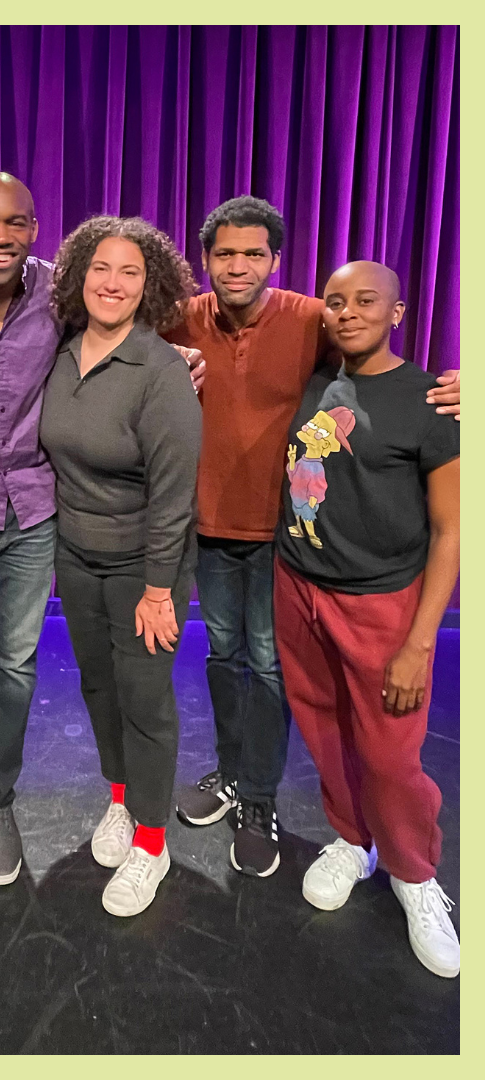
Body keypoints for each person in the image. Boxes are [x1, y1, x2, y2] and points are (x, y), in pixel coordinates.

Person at [0, 173, 207, 886]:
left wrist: (183, 358)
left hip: (36, 512)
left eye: (16, 222)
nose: (2, 236)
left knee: (16, 669)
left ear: (35, 229)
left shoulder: (58, 294)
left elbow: (132, 332)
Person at [167, 196, 461, 878]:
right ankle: (233, 774)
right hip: (206, 530)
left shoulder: (312, 317)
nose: (237, 266)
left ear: (275, 260)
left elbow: (385, 371)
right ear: (205, 259)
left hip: (283, 536)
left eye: (253, 254)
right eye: (224, 253)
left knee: (268, 668)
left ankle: (262, 801)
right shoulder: (179, 318)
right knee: (222, 656)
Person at [273, 261, 460, 978]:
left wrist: (420, 643)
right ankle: (353, 840)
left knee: (388, 752)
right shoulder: (317, 377)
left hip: (381, 602)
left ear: (399, 312)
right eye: (335, 301)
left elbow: (451, 533)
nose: (347, 312)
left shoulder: (432, 401)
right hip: (298, 587)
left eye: (366, 301)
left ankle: (415, 875)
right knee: (324, 727)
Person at [40, 216, 201, 917]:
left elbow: (174, 493)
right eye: (100, 268)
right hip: (76, 557)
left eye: (129, 272)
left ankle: (153, 842)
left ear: (151, 284)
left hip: (145, 568)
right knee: (100, 689)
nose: (112, 282)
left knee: (145, 703)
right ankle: (120, 800)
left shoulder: (161, 369)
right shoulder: (61, 352)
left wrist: (159, 589)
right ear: (78, 277)